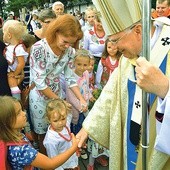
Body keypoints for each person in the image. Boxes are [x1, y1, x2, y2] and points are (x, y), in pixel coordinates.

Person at [76, 0, 170, 169]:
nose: (114, 48)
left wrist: (165, 90)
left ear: (139, 31)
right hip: (130, 141)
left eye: (115, 40)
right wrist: (88, 128)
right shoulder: (129, 57)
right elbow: (111, 92)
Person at [29, 14, 87, 155]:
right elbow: (40, 83)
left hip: (57, 94)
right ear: (56, 32)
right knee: (43, 135)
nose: (67, 46)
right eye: (65, 41)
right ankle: (47, 162)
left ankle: (60, 159)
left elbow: (70, 78)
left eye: (71, 43)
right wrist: (60, 101)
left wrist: (81, 98)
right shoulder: (39, 48)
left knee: (60, 130)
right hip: (40, 98)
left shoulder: (69, 51)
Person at [0, 96, 80, 169]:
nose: (24, 113)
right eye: (18, 113)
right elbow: (50, 164)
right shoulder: (22, 151)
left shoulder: (14, 134)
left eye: (22, 110)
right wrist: (73, 147)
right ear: (7, 122)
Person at [65, 49, 95, 160]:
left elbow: (86, 87)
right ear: (74, 63)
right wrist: (81, 107)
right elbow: (71, 97)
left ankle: (82, 144)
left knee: (84, 126)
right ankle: (77, 148)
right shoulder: (71, 77)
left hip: (85, 105)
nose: (82, 67)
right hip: (77, 109)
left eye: (85, 65)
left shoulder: (86, 73)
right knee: (77, 128)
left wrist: (90, 95)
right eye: (79, 64)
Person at [43, 98, 79, 170]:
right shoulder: (50, 140)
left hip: (73, 159)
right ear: (48, 119)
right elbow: (53, 160)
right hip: (64, 166)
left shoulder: (66, 122)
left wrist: (66, 105)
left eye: (63, 119)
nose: (60, 123)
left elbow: (69, 114)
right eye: (55, 121)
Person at [3, 20, 28, 100]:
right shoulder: (9, 46)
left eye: (4, 33)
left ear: (9, 35)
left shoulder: (18, 48)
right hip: (11, 68)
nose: (3, 35)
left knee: (12, 81)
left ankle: (17, 99)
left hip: (14, 70)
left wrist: (14, 73)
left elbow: (21, 63)